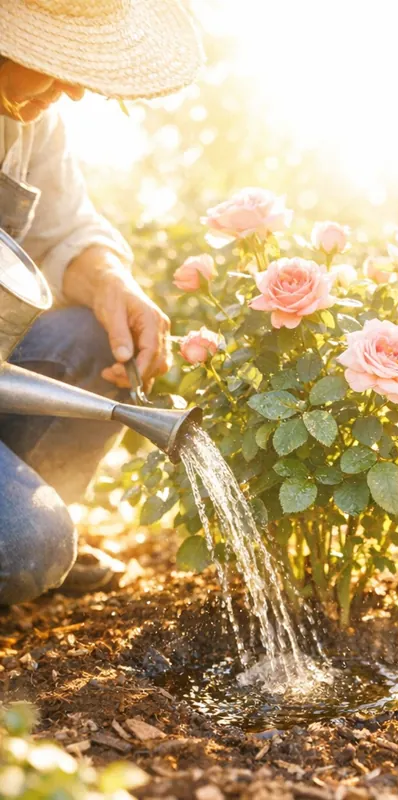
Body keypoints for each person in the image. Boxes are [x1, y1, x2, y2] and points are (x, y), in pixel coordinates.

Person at [0, 0, 204, 603]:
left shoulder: (29, 118)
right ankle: (29, 544)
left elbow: (64, 232)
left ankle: (35, 524)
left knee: (96, 334)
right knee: (28, 547)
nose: (73, 89)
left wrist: (111, 281)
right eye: (48, 59)